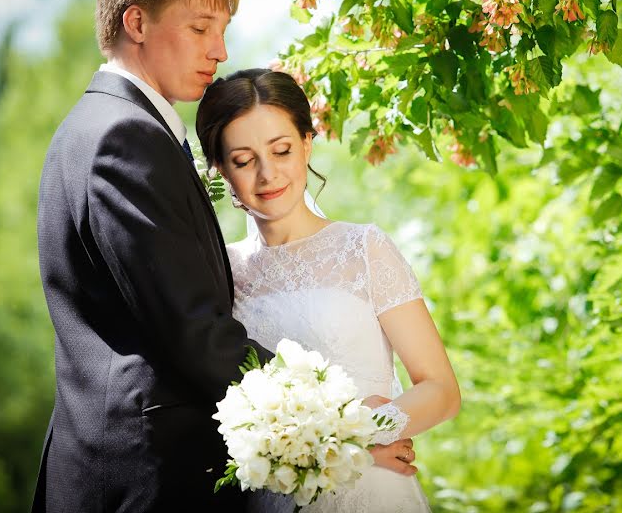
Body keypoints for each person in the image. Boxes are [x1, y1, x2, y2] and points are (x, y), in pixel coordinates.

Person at [33, 0, 276, 512]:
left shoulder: (100, 125)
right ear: (136, 23)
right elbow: (193, 330)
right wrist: (330, 410)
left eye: (224, 31)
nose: (220, 52)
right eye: (200, 28)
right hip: (145, 476)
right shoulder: (123, 136)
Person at [196, 68, 462, 512]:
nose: (267, 174)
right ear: (221, 168)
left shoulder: (363, 248)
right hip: (273, 496)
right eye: (243, 161)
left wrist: (365, 434)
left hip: (374, 493)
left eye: (281, 150)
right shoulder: (222, 273)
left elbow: (441, 388)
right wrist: (343, 445)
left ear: (306, 143)